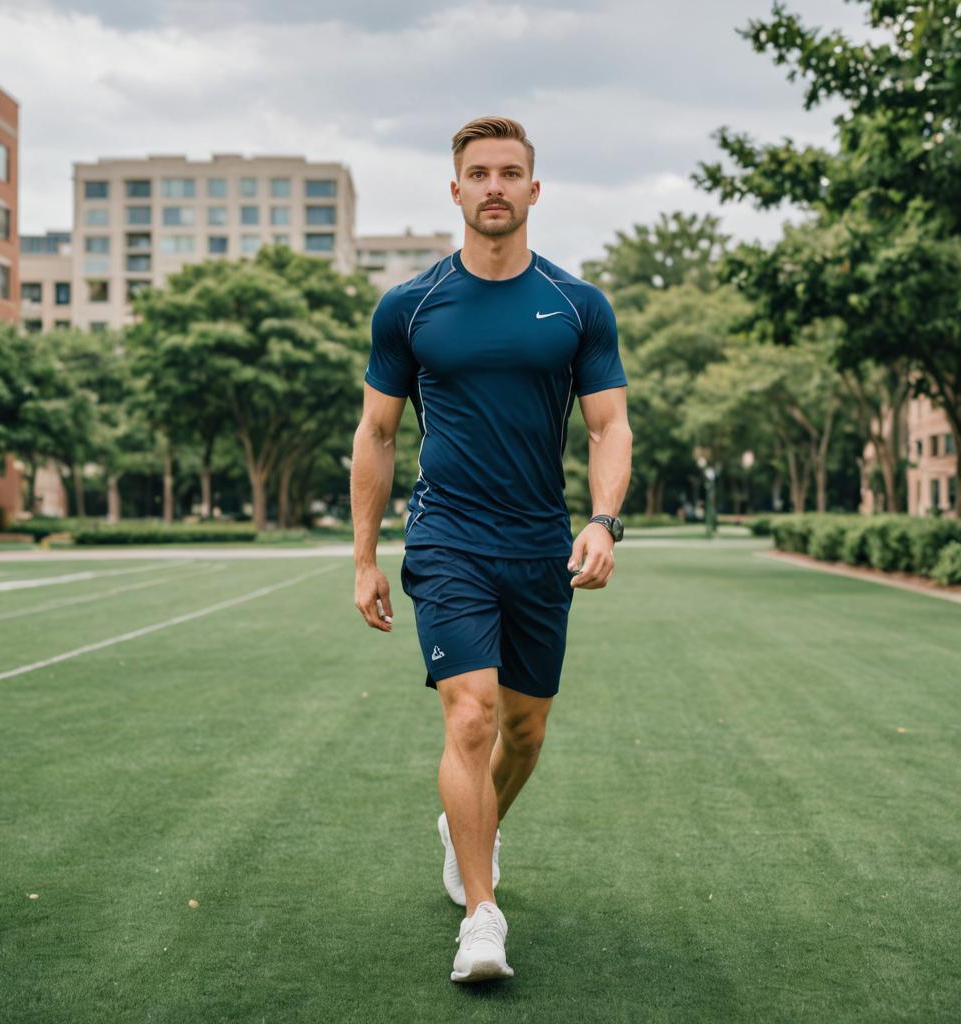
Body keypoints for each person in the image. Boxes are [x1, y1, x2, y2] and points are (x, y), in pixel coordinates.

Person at [350, 115, 632, 983]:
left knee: (525, 728)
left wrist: (602, 519)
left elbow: (609, 424)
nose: (496, 186)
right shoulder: (411, 305)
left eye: (511, 172)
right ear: (457, 189)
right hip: (448, 537)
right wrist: (364, 557)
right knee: (468, 715)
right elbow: (377, 432)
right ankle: (482, 914)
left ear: (534, 191)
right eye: (480, 173)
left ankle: (466, 823)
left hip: (540, 542)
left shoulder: (578, 306)